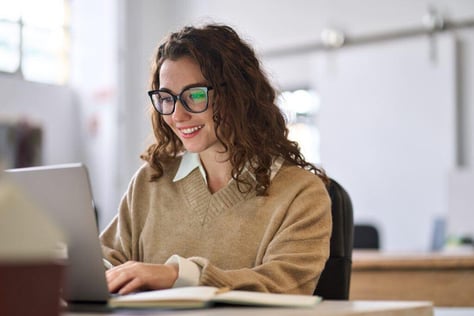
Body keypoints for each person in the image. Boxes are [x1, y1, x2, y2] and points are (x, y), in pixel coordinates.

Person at [100, 23, 332, 296]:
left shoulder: (301, 193)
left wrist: (177, 275)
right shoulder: (150, 181)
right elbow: (107, 264)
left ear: (238, 95)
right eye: (166, 98)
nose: (177, 116)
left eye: (195, 96)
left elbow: (283, 285)